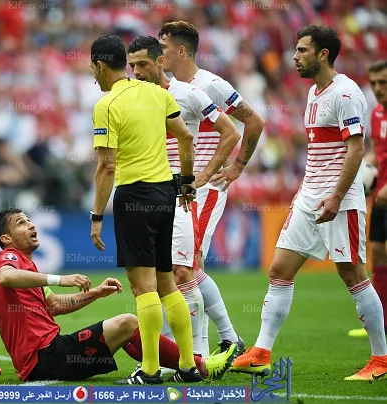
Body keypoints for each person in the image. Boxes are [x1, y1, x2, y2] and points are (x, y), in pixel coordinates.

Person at [232, 25, 387, 381]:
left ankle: (381, 358)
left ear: (323, 54)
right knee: (279, 270)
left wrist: (336, 195)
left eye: (302, 50)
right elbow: (319, 151)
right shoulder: (314, 93)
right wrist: (307, 190)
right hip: (309, 197)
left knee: (353, 275)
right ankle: (261, 352)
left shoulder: (345, 92)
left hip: (340, 200)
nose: (295, 57)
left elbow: (356, 150)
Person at [0, 209, 237, 382]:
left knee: (127, 333)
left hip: (48, 356)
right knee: (128, 323)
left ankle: (167, 368)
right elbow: (6, 277)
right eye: (21, 223)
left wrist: (96, 293)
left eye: (29, 220)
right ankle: (197, 365)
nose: (31, 225)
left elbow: (55, 305)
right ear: (6, 238)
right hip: (44, 357)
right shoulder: (8, 257)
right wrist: (60, 279)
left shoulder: (28, 268)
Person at [88, 34, 204, 385]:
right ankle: (188, 365)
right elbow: (186, 137)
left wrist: (96, 216)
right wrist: (186, 182)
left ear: (100, 66)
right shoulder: (158, 93)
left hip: (134, 195)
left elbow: (107, 166)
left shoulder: (107, 104)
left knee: (143, 288)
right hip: (165, 193)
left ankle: (151, 370)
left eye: (93, 68)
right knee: (166, 282)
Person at [126, 35, 240, 362]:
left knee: (181, 272)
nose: (137, 72)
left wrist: (202, 176)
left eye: (142, 64)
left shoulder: (188, 93)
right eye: (132, 66)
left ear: (160, 62)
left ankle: (198, 355)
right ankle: (185, 355)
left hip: (178, 196)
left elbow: (231, 132)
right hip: (145, 195)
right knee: (157, 278)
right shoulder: (133, 96)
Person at [158, 21, 265, 357]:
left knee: (185, 267)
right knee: (184, 267)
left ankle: (201, 349)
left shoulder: (212, 85)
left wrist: (234, 167)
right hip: (177, 189)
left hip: (203, 190)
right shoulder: (167, 89)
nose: (159, 54)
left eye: (164, 47)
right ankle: (221, 342)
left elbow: (254, 122)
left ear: (181, 50)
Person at [349, 60, 387, 338]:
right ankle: (381, 321)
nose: (377, 88)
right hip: (381, 195)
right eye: (373, 83)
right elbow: (376, 151)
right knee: (377, 251)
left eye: (383, 82)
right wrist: (368, 169)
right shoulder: (376, 113)